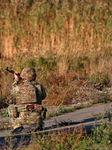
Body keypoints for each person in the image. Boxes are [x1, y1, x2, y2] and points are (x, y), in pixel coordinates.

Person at [8, 67, 47, 134]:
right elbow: (43, 96)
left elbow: (12, 91)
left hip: (21, 119)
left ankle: (18, 127)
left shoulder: (18, 88)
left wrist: (16, 80)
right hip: (36, 118)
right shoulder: (39, 86)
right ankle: (39, 125)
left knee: (11, 107)